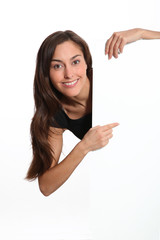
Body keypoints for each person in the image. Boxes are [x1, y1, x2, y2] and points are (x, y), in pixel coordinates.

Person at [26, 28, 160, 196]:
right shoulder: (54, 117)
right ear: (46, 72)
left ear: (87, 62)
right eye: (57, 66)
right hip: (130, 176)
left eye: (75, 62)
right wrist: (84, 146)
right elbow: (46, 186)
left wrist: (141, 33)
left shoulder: (111, 74)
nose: (69, 74)